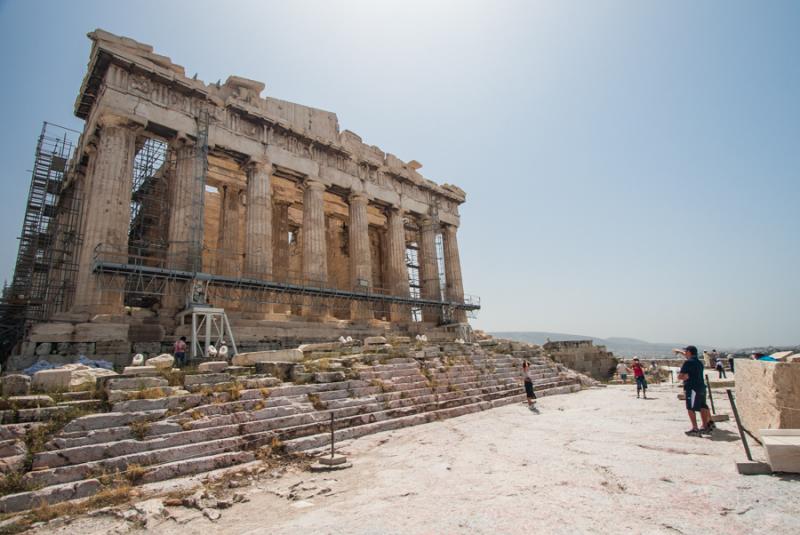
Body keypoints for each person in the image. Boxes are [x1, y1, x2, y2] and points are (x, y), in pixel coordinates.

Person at [674, 345, 714, 436]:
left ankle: (695, 428)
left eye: (686, 351)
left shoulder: (688, 363)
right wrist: (680, 351)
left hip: (692, 387)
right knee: (702, 406)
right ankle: (705, 426)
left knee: (690, 408)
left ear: (689, 352)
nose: (685, 353)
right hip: (701, 387)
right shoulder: (699, 362)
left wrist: (684, 377)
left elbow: (680, 376)